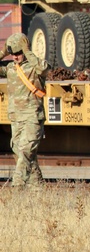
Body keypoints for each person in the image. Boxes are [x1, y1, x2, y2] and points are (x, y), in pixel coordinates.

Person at [2, 33, 49, 186]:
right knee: (23, 154)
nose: (15, 57)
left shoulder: (34, 68)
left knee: (25, 153)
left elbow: (43, 69)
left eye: (18, 53)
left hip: (32, 116)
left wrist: (27, 50)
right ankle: (37, 188)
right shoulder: (10, 68)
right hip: (16, 117)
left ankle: (17, 187)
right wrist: (4, 52)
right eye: (13, 54)